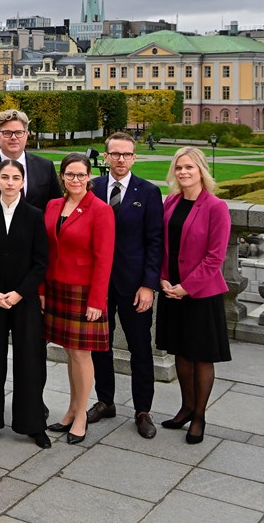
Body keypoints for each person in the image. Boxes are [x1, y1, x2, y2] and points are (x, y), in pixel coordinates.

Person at [88, 133, 164, 438]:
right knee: (99, 347)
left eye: (126, 154)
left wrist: (149, 285)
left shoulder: (148, 192)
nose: (120, 159)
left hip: (134, 285)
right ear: (105, 157)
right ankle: (105, 401)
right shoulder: (91, 188)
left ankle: (143, 409)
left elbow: (155, 242)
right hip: (98, 284)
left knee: (140, 349)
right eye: (115, 154)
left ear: (134, 157)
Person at [0, 159, 51, 449]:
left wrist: (19, 293)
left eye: (15, 177)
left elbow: (41, 261)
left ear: (22, 182)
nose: (9, 182)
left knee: (29, 362)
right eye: (4, 177)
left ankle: (32, 424)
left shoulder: (34, 215)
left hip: (24, 300)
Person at [156, 147, 231, 445]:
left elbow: (216, 257)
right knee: (179, 351)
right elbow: (163, 245)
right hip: (171, 289)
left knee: (200, 355)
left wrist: (186, 287)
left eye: (189, 167)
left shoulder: (215, 207)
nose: (183, 172)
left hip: (200, 293)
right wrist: (163, 277)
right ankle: (185, 407)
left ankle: (199, 415)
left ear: (201, 170)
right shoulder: (171, 202)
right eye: (178, 168)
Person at [42, 153, 115, 445]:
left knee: (82, 354)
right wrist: (40, 290)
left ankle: (81, 415)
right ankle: (72, 409)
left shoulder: (100, 210)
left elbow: (104, 258)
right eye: (70, 175)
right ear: (62, 177)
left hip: (84, 292)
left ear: (89, 177)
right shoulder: (53, 205)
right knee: (70, 353)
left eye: (81, 175)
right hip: (56, 287)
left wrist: (97, 300)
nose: (75, 180)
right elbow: (46, 251)